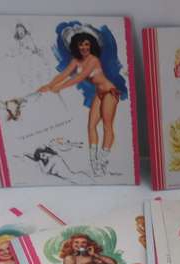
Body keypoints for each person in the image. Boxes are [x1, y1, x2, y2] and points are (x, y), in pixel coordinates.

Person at [39, 29, 120, 176]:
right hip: (99, 93)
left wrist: (59, 87)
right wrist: (49, 85)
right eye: (81, 45)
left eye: (87, 44)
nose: (84, 47)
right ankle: (94, 163)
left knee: (107, 126)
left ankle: (103, 161)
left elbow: (80, 77)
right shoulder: (76, 61)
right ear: (76, 46)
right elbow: (64, 74)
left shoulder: (94, 59)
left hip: (109, 92)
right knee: (91, 126)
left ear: (91, 45)